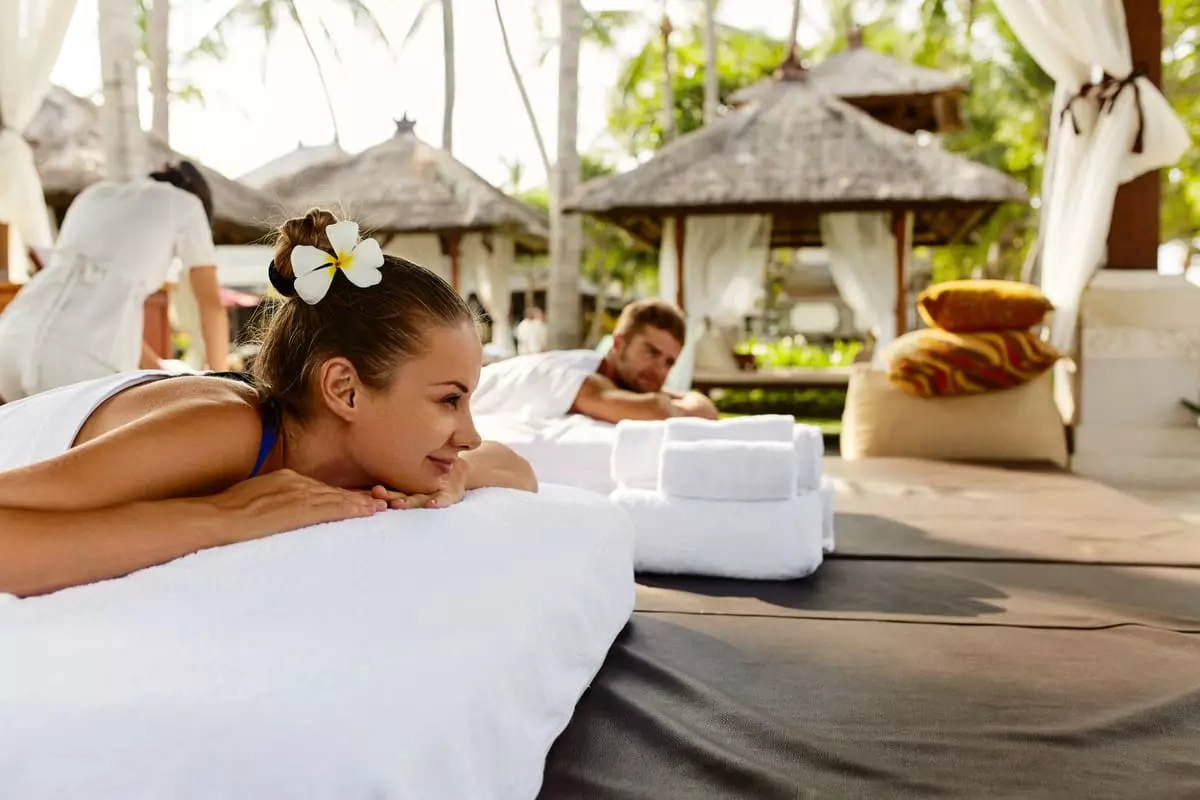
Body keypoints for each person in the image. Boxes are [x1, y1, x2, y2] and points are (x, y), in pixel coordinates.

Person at [0, 209, 537, 598]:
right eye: (448, 400)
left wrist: (459, 474)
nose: (470, 435)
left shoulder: (361, 447)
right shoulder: (227, 430)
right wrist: (221, 516)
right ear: (345, 390)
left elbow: (516, 468)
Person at [0, 161, 231, 402]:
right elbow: (211, 303)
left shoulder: (95, 192)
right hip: (79, 361)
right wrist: (224, 386)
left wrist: (161, 371)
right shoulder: (188, 205)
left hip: (12, 338)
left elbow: (96, 307)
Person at [471, 298, 719, 423]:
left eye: (669, 362)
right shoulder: (572, 373)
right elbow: (655, 409)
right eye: (652, 353)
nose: (660, 370)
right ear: (619, 344)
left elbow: (704, 409)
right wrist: (675, 402)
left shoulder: (624, 382)